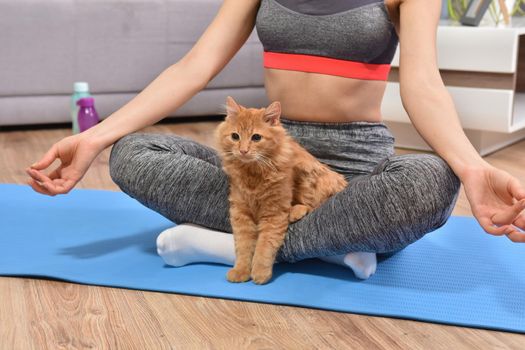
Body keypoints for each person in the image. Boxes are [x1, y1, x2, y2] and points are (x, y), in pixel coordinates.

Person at [26, 0, 525, 280]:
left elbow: (423, 85)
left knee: (432, 180)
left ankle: (229, 246)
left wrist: (471, 168)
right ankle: (329, 246)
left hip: (348, 183)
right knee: (133, 153)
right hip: (261, 167)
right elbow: (193, 67)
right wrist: (94, 138)